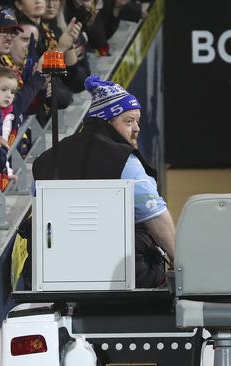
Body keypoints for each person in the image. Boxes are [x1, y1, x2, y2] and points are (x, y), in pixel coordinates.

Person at [32, 75, 175, 288]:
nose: (137, 129)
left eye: (137, 121)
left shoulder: (45, 160)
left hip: (55, 276)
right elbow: (156, 216)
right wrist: (180, 262)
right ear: (106, 121)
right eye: (128, 121)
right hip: (124, 278)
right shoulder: (126, 161)